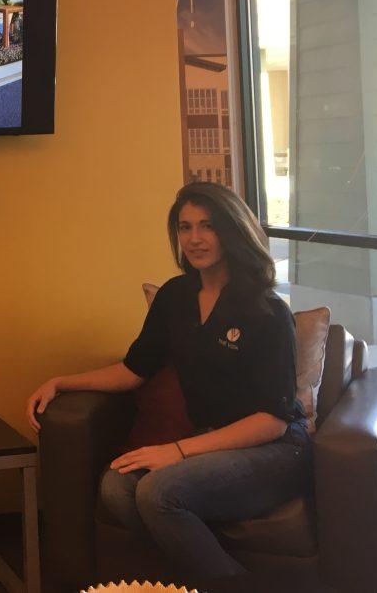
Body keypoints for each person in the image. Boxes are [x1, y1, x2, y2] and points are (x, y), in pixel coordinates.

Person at [25, 182, 310, 585]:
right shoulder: (176, 295)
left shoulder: (267, 310)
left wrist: (177, 451)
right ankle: (201, 573)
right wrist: (61, 382)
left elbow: (272, 421)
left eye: (208, 226)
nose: (194, 239)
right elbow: (133, 370)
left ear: (232, 231)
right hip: (210, 441)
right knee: (116, 485)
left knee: (158, 492)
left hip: (277, 450)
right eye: (184, 227)